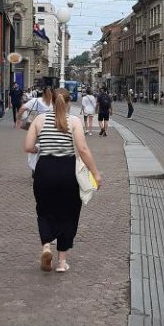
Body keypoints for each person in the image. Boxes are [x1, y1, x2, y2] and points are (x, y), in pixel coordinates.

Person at [25, 88, 102, 273]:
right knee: (69, 213)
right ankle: (61, 262)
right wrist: (96, 173)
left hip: (44, 170)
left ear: (51, 101)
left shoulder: (39, 120)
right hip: (67, 172)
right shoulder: (74, 121)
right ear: (68, 103)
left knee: (44, 210)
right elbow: (82, 149)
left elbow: (28, 147)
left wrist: (39, 148)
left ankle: (46, 246)